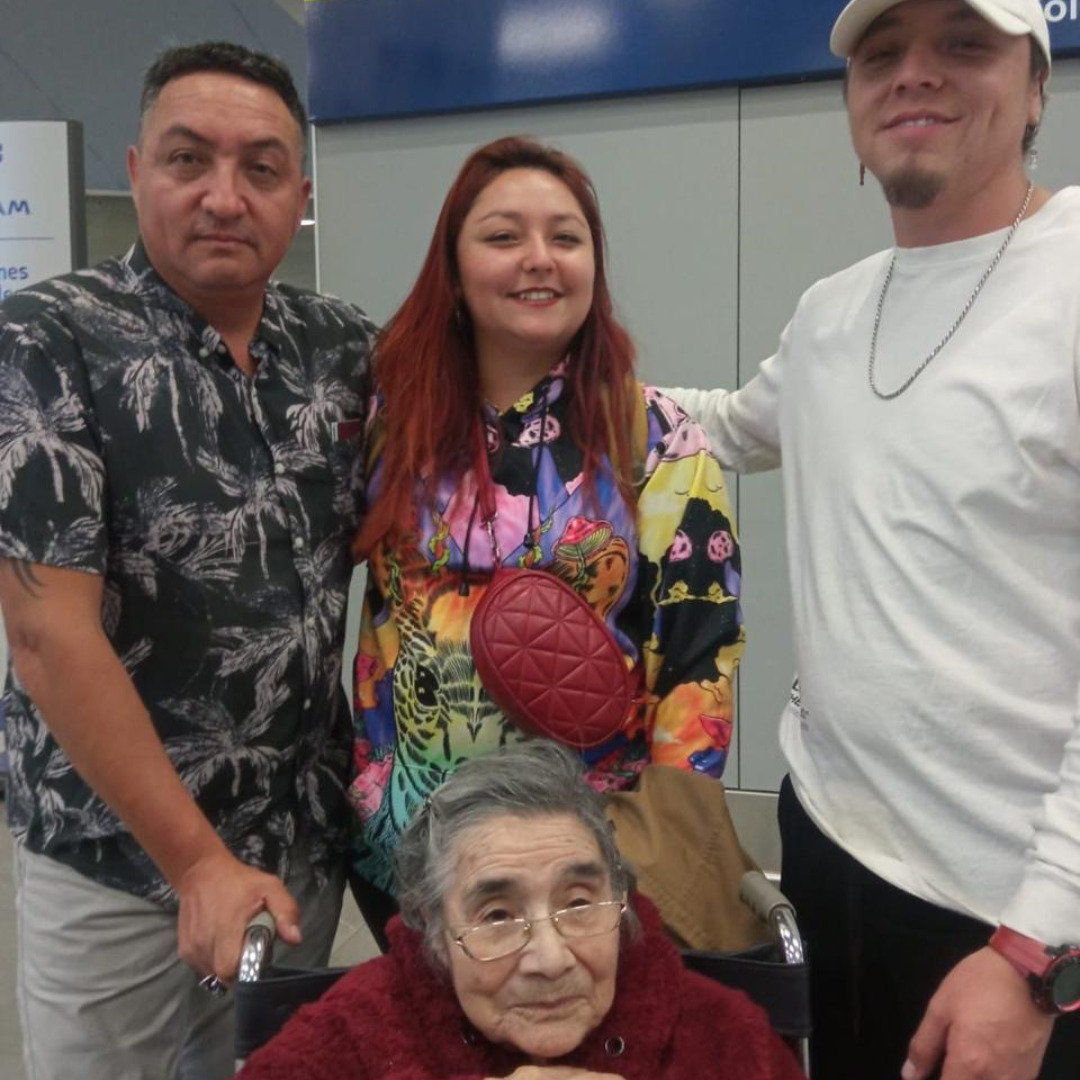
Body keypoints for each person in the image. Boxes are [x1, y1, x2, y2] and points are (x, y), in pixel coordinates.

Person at [665, 1, 1080, 1078]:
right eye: (882, 53)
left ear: (1037, 87)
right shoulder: (834, 312)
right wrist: (536, 370)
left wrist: (1038, 947)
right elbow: (721, 427)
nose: (914, 74)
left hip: (1010, 916)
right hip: (828, 847)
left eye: (964, 44)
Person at [0, 41, 376, 1080]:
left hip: (297, 845)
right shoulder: (46, 341)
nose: (223, 196)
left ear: (300, 196)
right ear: (135, 171)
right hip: (117, 860)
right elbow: (46, 633)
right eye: (187, 159)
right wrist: (198, 865)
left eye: (261, 169)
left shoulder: (342, 349)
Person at [347, 137, 745, 928]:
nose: (539, 258)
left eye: (566, 237)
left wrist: (657, 852)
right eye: (503, 236)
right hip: (407, 846)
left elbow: (700, 659)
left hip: (589, 864)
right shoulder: (390, 422)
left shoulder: (655, 438)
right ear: (453, 268)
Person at [238, 740, 804, 1080]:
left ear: (621, 901)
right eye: (497, 916)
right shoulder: (352, 1035)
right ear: (434, 931)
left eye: (578, 903)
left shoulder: (726, 1039)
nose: (551, 960)